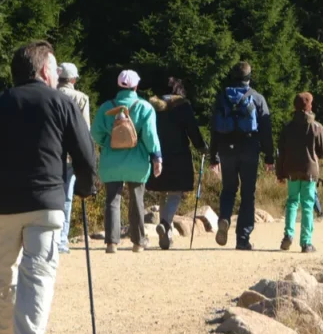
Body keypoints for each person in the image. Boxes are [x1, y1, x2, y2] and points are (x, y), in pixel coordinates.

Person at [0, 41, 97, 334]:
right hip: (47, 205)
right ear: (43, 71)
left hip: (3, 207)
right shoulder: (61, 103)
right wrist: (86, 186)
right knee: (38, 277)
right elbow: (85, 152)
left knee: (1, 282)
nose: (54, 75)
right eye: (52, 69)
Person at [91, 70, 162, 253]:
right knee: (137, 199)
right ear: (136, 86)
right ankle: (138, 242)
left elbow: (95, 134)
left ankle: (111, 243)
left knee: (112, 200)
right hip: (137, 161)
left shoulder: (106, 107)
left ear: (118, 85)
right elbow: (150, 136)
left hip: (111, 161)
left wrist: (108, 143)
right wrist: (156, 157)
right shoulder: (144, 107)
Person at [210, 62, 276, 250]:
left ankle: (224, 218)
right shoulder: (257, 98)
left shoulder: (222, 97)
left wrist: (213, 155)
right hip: (249, 150)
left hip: (226, 149)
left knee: (228, 189)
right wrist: (269, 157)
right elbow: (266, 130)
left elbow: (214, 128)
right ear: (249, 78)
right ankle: (243, 239)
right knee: (248, 194)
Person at [147, 77, 208, 250]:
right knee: (175, 193)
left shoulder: (152, 106)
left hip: (156, 154)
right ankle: (166, 224)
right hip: (178, 155)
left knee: (162, 192)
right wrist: (201, 147)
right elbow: (192, 130)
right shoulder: (182, 106)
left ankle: (166, 235)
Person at [277, 92, 323, 253]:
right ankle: (306, 243)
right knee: (307, 204)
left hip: (291, 170)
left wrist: (280, 173)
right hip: (310, 170)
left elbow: (281, 152)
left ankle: (288, 235)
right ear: (309, 107)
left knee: (292, 201)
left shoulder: (288, 128)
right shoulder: (317, 127)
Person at [55, 63, 91, 255]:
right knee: (67, 197)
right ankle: (62, 240)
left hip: (49, 154)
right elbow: (85, 132)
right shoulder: (81, 99)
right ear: (74, 79)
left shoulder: (48, 94)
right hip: (70, 156)